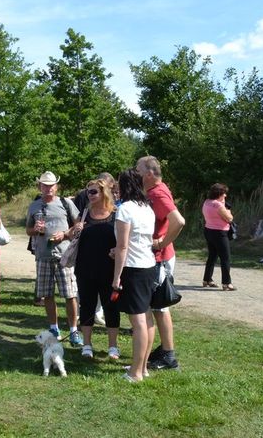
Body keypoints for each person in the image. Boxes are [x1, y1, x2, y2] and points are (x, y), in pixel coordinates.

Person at [135, 156, 185, 371]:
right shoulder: (156, 190)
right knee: (158, 306)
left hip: (159, 259)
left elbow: (178, 220)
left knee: (158, 306)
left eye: (137, 170)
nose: (134, 173)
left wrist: (161, 243)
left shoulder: (157, 193)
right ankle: (166, 352)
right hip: (158, 257)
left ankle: (168, 354)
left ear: (148, 173)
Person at [25, 171, 84, 346]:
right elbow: (28, 231)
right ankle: (54, 328)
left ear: (56, 186)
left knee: (70, 294)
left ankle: (74, 331)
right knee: (47, 294)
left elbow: (79, 225)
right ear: (40, 187)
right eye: (45, 185)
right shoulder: (34, 206)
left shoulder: (66, 204)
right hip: (43, 256)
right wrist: (35, 229)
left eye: (51, 185)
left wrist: (65, 235)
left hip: (64, 256)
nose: (48, 188)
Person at [112, 169, 156, 382]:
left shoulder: (125, 209)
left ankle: (136, 372)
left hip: (133, 268)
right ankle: (143, 366)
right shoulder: (147, 207)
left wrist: (116, 277)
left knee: (137, 322)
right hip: (148, 266)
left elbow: (122, 246)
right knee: (147, 318)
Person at [74, 179, 120, 360]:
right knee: (87, 305)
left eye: (93, 192)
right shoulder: (84, 213)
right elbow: (72, 236)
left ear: (103, 193)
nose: (89, 195)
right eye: (88, 192)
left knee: (111, 307)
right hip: (85, 268)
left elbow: (124, 241)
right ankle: (87, 344)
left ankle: (113, 346)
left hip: (109, 269)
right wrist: (74, 230)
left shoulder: (116, 214)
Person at [202, 183, 236, 291]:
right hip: (220, 233)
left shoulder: (207, 202)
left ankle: (207, 279)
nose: (225, 195)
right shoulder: (218, 205)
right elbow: (229, 218)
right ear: (219, 194)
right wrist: (228, 209)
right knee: (225, 258)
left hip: (208, 230)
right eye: (224, 193)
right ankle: (226, 283)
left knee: (212, 256)